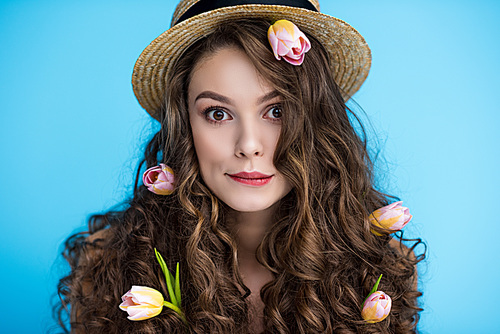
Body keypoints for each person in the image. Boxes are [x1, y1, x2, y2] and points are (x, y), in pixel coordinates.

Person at [56, 1, 425, 333]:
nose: (249, 144)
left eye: (276, 111)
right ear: (185, 127)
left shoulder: (378, 268)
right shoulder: (106, 265)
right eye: (218, 114)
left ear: (315, 121)